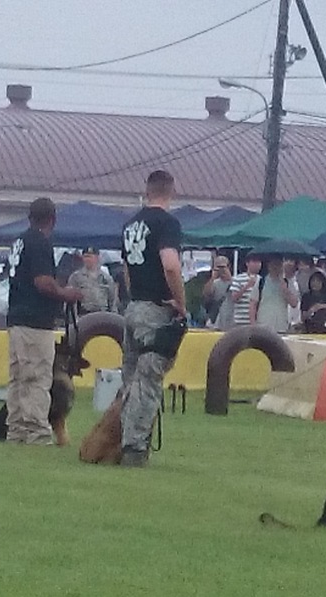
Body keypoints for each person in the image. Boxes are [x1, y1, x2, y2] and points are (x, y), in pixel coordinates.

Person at [120, 170, 186, 466]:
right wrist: (181, 303)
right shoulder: (167, 223)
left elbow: (126, 270)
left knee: (130, 381)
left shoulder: (131, 224)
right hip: (156, 310)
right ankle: (134, 449)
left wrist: (137, 295)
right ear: (170, 191)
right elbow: (171, 265)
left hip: (133, 307)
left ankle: (118, 439)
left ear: (147, 191)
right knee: (148, 382)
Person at [6, 198, 84, 445]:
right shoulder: (39, 242)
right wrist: (65, 293)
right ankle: (36, 432)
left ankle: (16, 430)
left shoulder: (20, 241)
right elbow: (42, 281)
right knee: (37, 377)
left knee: (18, 377)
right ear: (52, 219)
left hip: (17, 318)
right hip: (35, 322)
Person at [250, 255, 298, 333]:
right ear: (268, 265)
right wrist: (253, 324)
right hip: (263, 325)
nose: (275, 267)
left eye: (278, 264)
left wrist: (285, 289)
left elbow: (294, 303)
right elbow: (253, 303)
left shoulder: (288, 282)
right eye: (273, 264)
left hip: (281, 326)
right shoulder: (260, 282)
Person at [67, 246, 118, 315]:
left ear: (97, 258)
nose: (87, 259)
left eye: (90, 257)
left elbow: (113, 300)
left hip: (103, 314)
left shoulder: (106, 278)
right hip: (84, 315)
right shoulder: (75, 277)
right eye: (85, 257)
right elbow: (70, 300)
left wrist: (113, 317)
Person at [229, 255, 262, 328]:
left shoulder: (262, 280)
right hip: (240, 321)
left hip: (257, 322)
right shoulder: (238, 278)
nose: (257, 264)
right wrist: (247, 286)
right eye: (254, 261)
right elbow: (234, 298)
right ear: (247, 263)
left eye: (259, 262)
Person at [203, 255, 232, 329]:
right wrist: (213, 277)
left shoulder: (235, 281)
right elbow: (207, 293)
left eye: (223, 267)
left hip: (230, 317)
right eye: (218, 267)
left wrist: (228, 275)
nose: (221, 270)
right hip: (216, 318)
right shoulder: (215, 283)